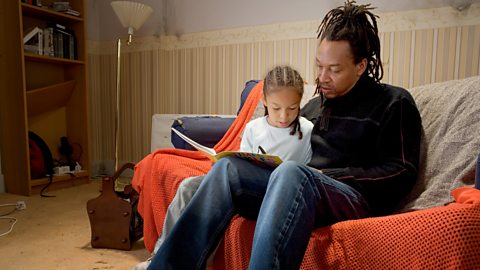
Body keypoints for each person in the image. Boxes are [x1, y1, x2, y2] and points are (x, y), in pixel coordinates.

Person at [148, 1, 422, 269]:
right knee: (228, 168)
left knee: (292, 173)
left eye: (334, 69)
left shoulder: (393, 102)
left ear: (361, 66)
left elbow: (402, 171)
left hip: (353, 197)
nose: (322, 77)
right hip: (296, 188)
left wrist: (330, 176)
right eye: (319, 66)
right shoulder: (313, 107)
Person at [134, 65, 314, 270]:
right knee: (187, 187)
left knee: (221, 190)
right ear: (264, 101)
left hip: (273, 191)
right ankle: (159, 255)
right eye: (276, 108)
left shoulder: (307, 130)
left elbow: (308, 170)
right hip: (246, 181)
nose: (284, 116)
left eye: (292, 108)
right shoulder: (254, 128)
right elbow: (243, 162)